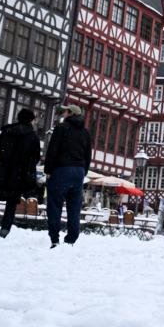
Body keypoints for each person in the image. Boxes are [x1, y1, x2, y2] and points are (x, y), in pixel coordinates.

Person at [0, 108, 41, 239]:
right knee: (11, 205)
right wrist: (27, 175)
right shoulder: (33, 137)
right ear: (30, 120)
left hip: (0, 173)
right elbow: (34, 159)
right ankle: (5, 230)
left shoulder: (7, 132)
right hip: (17, 176)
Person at [44, 104, 91, 249]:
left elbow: (53, 149)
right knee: (74, 207)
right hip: (79, 171)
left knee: (54, 205)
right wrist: (84, 171)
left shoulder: (61, 128)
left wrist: (48, 170)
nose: (63, 113)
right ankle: (71, 238)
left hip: (62, 169)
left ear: (70, 113)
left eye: (65, 111)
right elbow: (88, 154)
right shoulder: (85, 132)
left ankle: (54, 239)